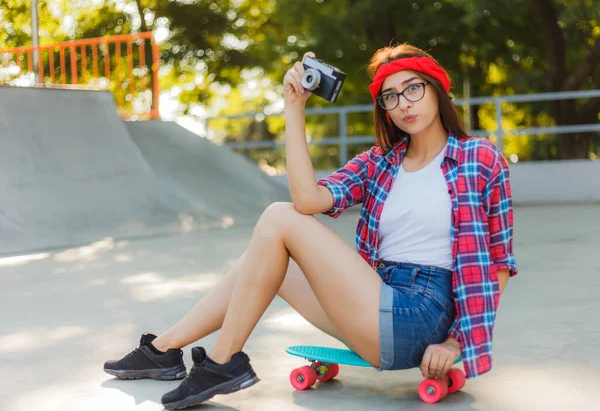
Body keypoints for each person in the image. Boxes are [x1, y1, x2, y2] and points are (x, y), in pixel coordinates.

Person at [104, 43, 517, 410]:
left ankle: (222, 362)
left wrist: (456, 340)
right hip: (377, 300)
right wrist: (294, 107)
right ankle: (163, 350)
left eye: (413, 89)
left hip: (422, 315)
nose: (404, 103)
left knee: (277, 218)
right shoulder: (380, 162)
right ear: (384, 110)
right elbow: (308, 200)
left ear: (436, 89)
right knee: (265, 254)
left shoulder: (478, 158)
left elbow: (499, 262)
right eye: (390, 97)